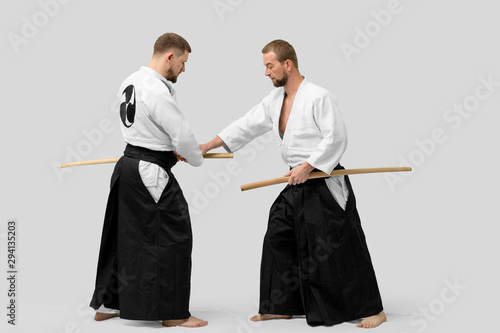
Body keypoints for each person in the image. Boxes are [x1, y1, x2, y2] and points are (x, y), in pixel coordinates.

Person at [200, 39, 386, 328]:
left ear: (287, 64)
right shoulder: (275, 100)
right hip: (296, 180)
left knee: (337, 243)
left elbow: (336, 137)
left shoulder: (319, 96)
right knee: (279, 234)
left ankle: (373, 308)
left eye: (269, 66)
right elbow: (247, 124)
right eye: (265, 67)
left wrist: (309, 165)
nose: (266, 73)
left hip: (323, 178)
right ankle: (280, 305)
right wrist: (208, 145)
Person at [89, 33, 208, 328]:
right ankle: (174, 312)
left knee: (124, 236)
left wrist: (168, 148)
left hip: (127, 167)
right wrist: (193, 156)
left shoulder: (129, 80)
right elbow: (182, 134)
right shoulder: (156, 89)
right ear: (170, 56)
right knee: (174, 236)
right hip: (149, 172)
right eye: (183, 61)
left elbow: (148, 129)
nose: (184, 69)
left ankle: (109, 303)